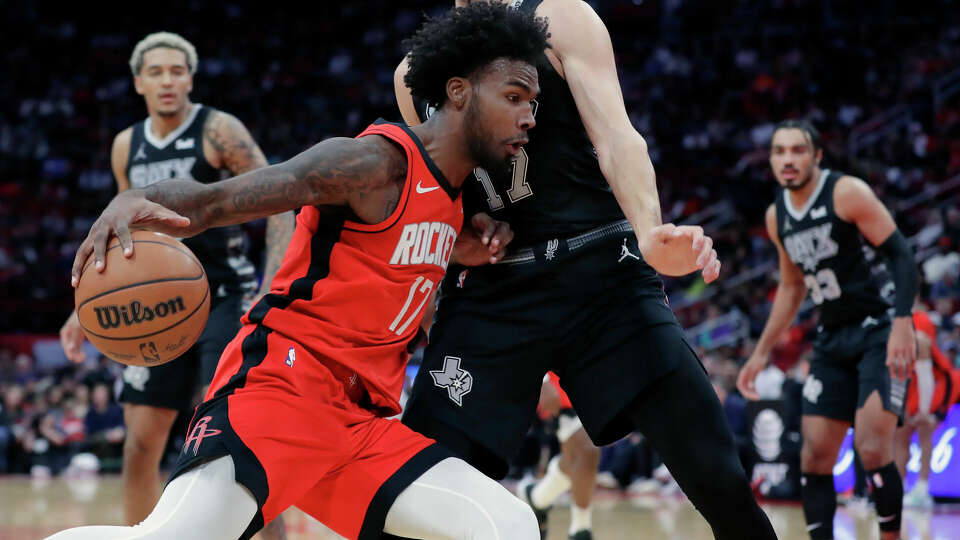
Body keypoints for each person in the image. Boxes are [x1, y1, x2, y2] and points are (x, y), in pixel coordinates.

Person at [48, 4, 547, 539]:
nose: (529, 118)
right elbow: (215, 202)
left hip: (360, 423)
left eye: (533, 103)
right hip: (280, 390)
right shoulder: (372, 164)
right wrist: (137, 197)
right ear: (458, 92)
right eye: (514, 98)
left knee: (507, 524)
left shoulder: (454, 204)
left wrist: (460, 249)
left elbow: (398, 269)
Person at [395, 2, 776, 539]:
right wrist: (463, 237)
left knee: (719, 478)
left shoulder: (561, 15)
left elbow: (616, 136)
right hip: (495, 291)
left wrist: (649, 231)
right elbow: (442, 193)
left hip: (601, 272)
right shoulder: (413, 74)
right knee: (423, 487)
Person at [56, 31, 294, 536]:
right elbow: (123, 230)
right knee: (140, 442)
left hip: (228, 295)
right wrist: (83, 308)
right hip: (155, 302)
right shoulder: (127, 145)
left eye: (177, 70)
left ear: (191, 76)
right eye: (157, 72)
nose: (168, 80)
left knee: (236, 438)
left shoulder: (218, 130)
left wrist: (273, 284)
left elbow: (280, 204)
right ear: (139, 81)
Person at [737, 119, 919, 540]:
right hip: (832, 337)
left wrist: (903, 321)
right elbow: (791, 285)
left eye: (798, 150)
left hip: (877, 329)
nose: (788, 159)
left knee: (873, 448)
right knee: (814, 458)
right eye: (779, 151)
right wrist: (762, 350)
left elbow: (902, 255)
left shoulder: (846, 192)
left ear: (817, 156)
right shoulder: (776, 215)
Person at [517, 373, 600, 540]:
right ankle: (580, 531)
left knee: (577, 459)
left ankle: (537, 497)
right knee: (588, 449)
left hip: (590, 368)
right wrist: (543, 379)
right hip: (554, 374)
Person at [894, 301, 960, 509]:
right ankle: (900, 486)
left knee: (924, 436)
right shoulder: (897, 329)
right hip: (910, 386)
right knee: (901, 437)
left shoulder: (921, 337)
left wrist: (928, 411)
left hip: (933, 389)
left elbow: (940, 377)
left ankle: (922, 489)